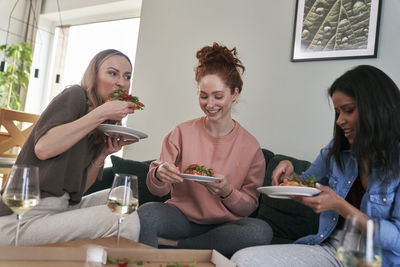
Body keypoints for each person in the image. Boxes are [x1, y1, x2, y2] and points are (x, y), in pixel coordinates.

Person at [231, 65, 400, 267]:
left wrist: (341, 206)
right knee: (243, 259)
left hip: (380, 261)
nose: (339, 121)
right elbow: (305, 184)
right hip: (334, 250)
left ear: (377, 108)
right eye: (337, 112)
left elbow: (397, 241)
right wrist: (289, 173)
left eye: (349, 110)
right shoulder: (338, 151)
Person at [137, 42, 272, 257]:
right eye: (203, 96)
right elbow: (157, 191)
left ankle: (178, 249)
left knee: (260, 231)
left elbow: (249, 206)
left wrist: (227, 192)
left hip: (225, 226)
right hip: (181, 217)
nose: (210, 104)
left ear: (234, 94)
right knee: (146, 214)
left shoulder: (251, 147)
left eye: (218, 96)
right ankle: (188, 251)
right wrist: (159, 174)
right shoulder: (181, 132)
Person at [0, 49, 141, 245]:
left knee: (123, 196)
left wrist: (102, 154)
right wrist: (100, 114)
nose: (122, 82)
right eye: (112, 73)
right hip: (21, 218)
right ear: (94, 76)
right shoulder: (75, 95)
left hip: (61, 208)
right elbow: (43, 149)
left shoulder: (102, 124)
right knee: (125, 219)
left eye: (127, 76)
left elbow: (79, 190)